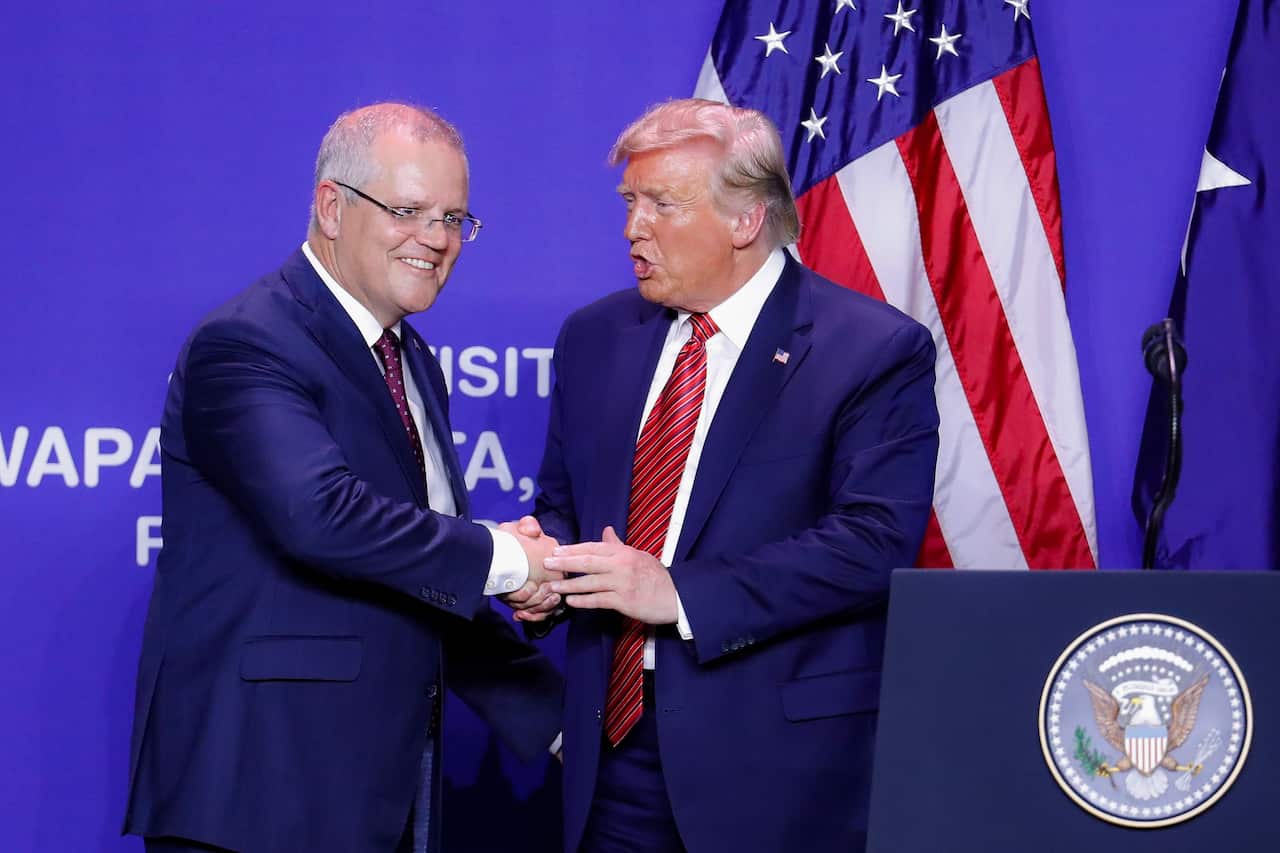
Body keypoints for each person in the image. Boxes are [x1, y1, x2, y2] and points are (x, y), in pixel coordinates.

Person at [123, 102, 564, 853]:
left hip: (381, 794)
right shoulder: (249, 340)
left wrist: (560, 720)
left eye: (456, 218)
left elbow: (412, 570)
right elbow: (320, 515)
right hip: (258, 799)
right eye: (409, 210)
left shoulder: (411, 359)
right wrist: (509, 557)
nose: (437, 239)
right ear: (332, 205)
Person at [518, 99, 940, 852]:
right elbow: (565, 505)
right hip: (609, 762)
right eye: (629, 202)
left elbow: (874, 542)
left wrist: (678, 593)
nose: (632, 228)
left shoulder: (871, 350)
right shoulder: (594, 338)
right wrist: (544, 567)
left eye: (661, 205)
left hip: (775, 771)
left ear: (746, 218)